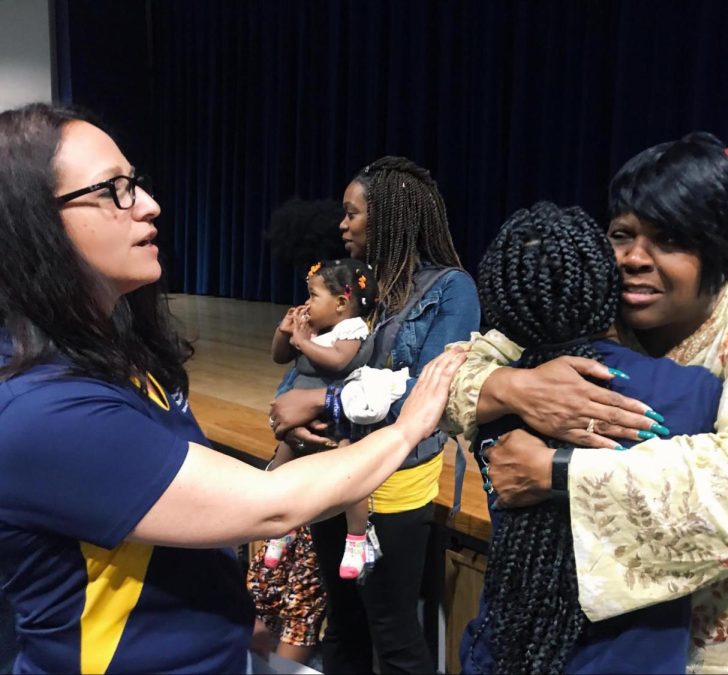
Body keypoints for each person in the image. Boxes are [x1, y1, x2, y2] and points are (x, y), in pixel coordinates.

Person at [0, 103, 467, 674]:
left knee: (386, 627)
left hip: (243, 626)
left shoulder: (113, 353)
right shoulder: (46, 408)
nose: (149, 204)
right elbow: (269, 506)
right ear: (34, 222)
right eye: (115, 190)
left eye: (137, 184)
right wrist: (408, 420)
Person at [443, 133, 728, 672]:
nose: (635, 259)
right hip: (623, 644)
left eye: (669, 240)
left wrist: (559, 470)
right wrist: (513, 388)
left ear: (717, 249)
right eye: (622, 234)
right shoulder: (594, 311)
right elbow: (450, 371)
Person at [269, 156, 480, 674]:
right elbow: (305, 363)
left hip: (394, 484)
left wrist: (321, 404)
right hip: (330, 473)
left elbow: (432, 392)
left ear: (388, 218)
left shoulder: (450, 289)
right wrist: (288, 413)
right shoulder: (353, 288)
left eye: (353, 213)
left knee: (393, 630)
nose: (342, 225)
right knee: (342, 625)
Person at [247, 257, 378, 665]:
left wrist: (304, 341)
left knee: (350, 476)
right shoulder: (315, 327)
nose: (307, 302)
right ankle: (280, 527)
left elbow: (339, 362)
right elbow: (278, 357)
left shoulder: (351, 330)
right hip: (300, 425)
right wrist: (286, 332)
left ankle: (358, 539)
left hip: (336, 426)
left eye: (314, 295)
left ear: (342, 302)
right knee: (277, 470)